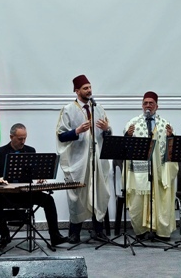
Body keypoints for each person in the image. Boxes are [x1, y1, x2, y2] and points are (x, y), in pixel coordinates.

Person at [0, 123, 68, 250]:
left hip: (26, 193)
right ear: (11, 137)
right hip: (6, 194)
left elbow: (34, 171)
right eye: (19, 139)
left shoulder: (30, 151)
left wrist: (40, 176)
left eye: (24, 138)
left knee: (48, 200)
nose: (23, 141)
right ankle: (4, 235)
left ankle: (55, 236)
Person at [56, 74, 112, 243]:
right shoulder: (68, 109)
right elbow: (61, 136)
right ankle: (74, 233)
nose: (89, 90)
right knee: (77, 196)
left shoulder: (98, 109)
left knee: (98, 193)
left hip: (97, 160)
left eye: (90, 87)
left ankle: (98, 231)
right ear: (77, 90)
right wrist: (77, 131)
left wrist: (107, 129)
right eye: (85, 88)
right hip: (78, 161)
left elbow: (107, 136)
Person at [123, 91, 177, 240]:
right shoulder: (133, 123)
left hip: (159, 170)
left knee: (161, 200)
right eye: (145, 103)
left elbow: (171, 150)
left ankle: (161, 231)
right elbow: (125, 147)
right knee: (138, 201)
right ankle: (141, 231)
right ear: (142, 105)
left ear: (157, 106)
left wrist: (171, 137)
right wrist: (128, 135)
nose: (148, 106)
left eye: (151, 103)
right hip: (139, 172)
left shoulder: (165, 124)